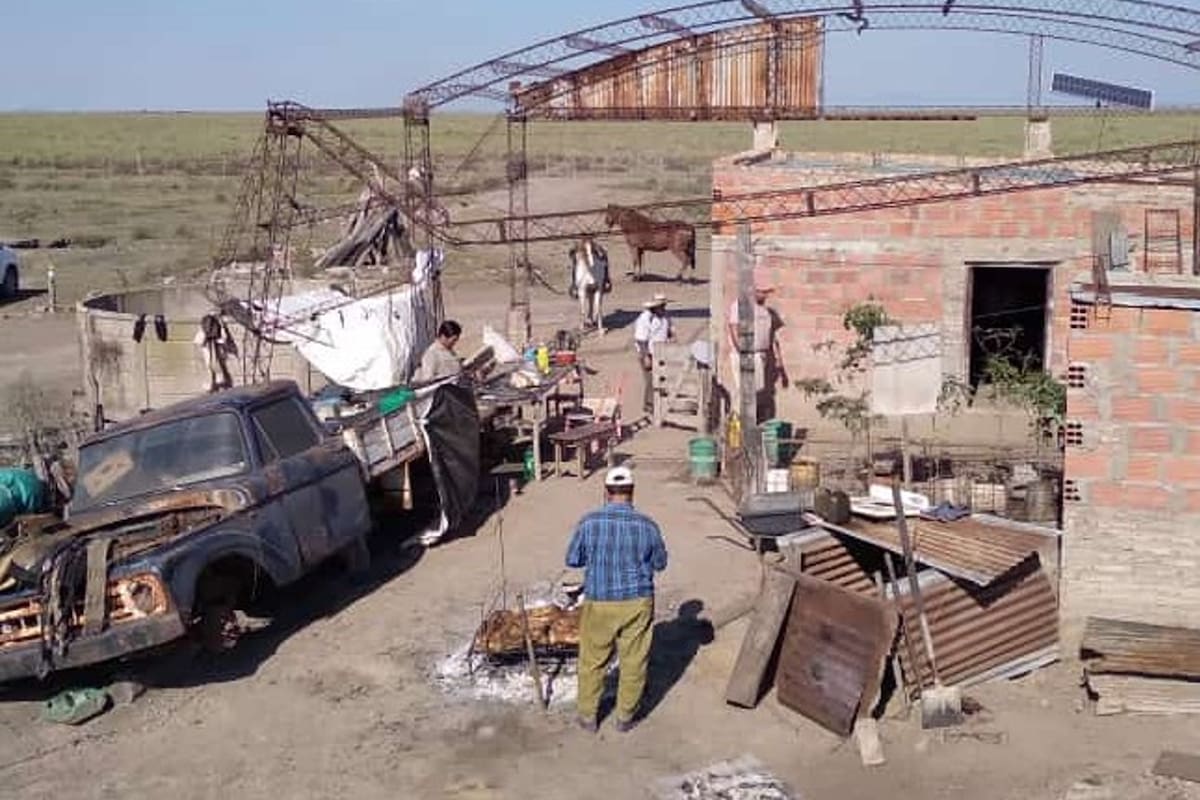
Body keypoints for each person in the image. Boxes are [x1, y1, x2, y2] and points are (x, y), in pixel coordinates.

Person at [566, 466, 668, 733]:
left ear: (606, 491)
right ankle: (625, 717)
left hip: (599, 600)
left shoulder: (589, 522)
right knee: (634, 661)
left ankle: (588, 717)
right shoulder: (648, 526)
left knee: (592, 661)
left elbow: (573, 559)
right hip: (637, 601)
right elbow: (660, 563)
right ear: (632, 491)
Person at [727, 276, 788, 423]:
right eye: (763, 292)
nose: (766, 296)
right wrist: (742, 351)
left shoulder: (766, 311)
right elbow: (733, 328)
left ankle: (749, 422)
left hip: (760, 355)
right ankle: (736, 424)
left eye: (767, 292)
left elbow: (772, 336)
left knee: (757, 391)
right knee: (745, 390)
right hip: (746, 354)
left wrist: (779, 361)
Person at [633, 294, 673, 415]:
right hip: (649, 353)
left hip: (662, 352)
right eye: (661, 306)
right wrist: (645, 356)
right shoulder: (645, 318)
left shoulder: (665, 317)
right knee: (651, 380)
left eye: (664, 305)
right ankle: (649, 404)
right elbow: (641, 340)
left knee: (662, 378)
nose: (664, 308)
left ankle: (660, 402)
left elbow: (669, 332)